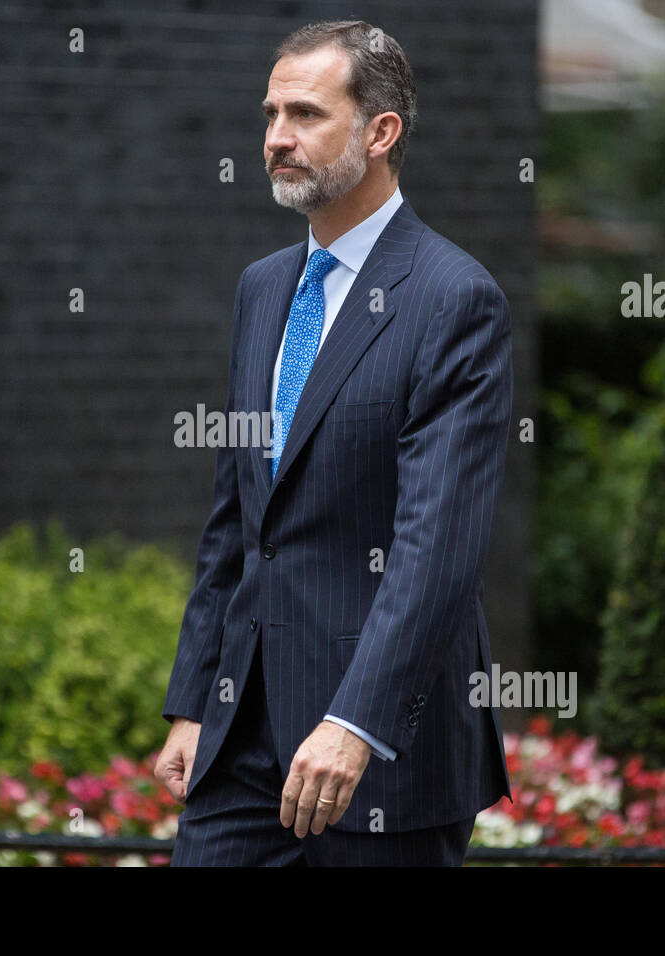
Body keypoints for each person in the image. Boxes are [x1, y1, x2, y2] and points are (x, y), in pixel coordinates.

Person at [156, 19, 513, 866]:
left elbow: (436, 547)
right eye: (270, 114)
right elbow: (236, 521)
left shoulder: (455, 299)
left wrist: (357, 722)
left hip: (381, 754)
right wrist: (192, 700)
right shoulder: (263, 288)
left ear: (380, 132)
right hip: (241, 743)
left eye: (307, 115)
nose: (277, 138)